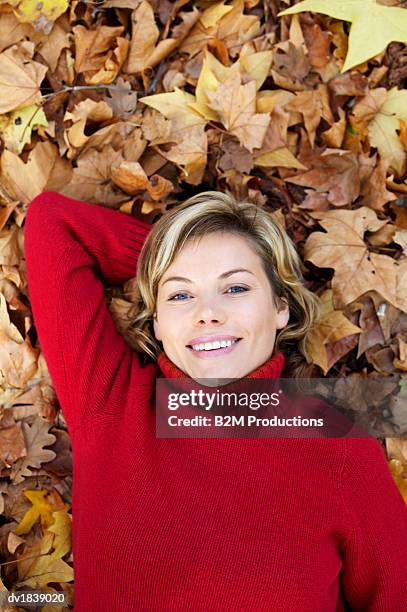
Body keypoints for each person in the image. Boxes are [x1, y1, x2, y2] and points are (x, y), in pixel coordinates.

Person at [23, 190, 407, 611]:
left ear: (281, 307)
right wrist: (167, 255)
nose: (207, 312)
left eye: (236, 287)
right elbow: (54, 222)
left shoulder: (342, 450)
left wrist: (186, 263)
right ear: (158, 322)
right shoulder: (112, 403)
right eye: (180, 296)